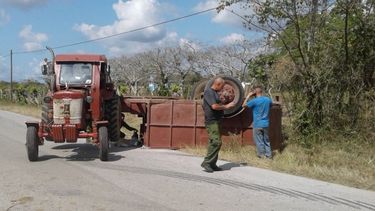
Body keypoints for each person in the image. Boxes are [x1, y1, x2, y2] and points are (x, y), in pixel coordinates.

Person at [201, 77, 235, 173]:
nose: (223, 88)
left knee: (215, 143)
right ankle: (207, 162)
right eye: (222, 86)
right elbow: (214, 106)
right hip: (212, 121)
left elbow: (218, 104)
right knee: (216, 142)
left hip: (217, 121)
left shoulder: (215, 93)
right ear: (218, 84)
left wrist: (225, 100)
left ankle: (212, 164)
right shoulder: (209, 92)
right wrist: (226, 106)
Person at [242, 85, 273, 159]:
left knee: (259, 141)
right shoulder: (268, 99)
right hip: (266, 123)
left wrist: (248, 96)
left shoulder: (254, 101)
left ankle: (261, 155)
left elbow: (243, 105)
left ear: (255, 92)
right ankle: (269, 156)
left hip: (257, 124)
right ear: (261, 91)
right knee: (266, 140)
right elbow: (271, 106)